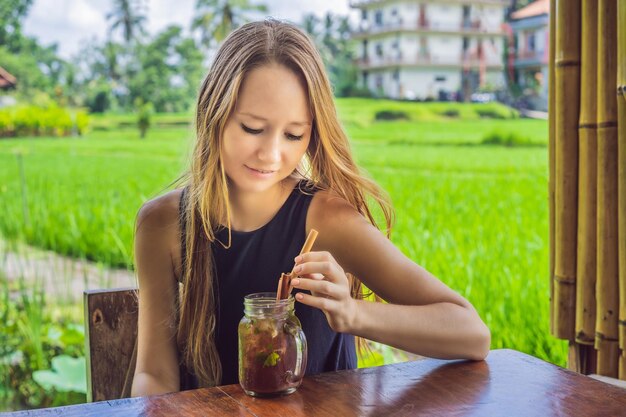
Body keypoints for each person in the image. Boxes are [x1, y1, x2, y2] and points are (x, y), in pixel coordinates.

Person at [131, 18, 490, 397]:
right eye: (252, 128)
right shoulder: (163, 225)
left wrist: (353, 313)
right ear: (212, 114)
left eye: (293, 135)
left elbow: (471, 334)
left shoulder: (327, 219)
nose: (270, 154)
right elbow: (154, 376)